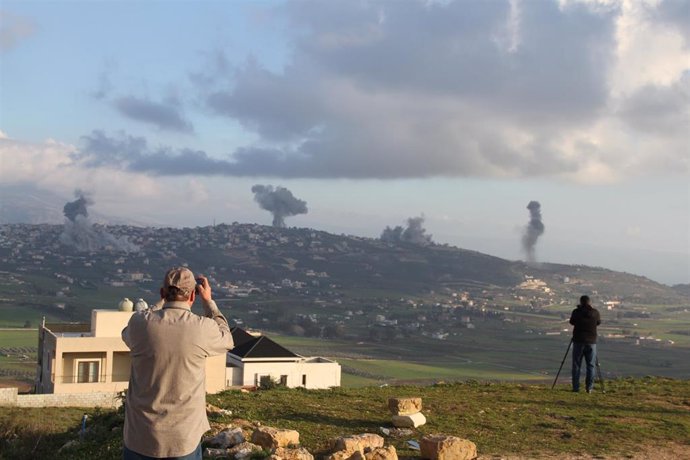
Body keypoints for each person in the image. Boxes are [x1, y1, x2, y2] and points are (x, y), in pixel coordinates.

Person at [122, 267, 234, 459]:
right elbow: (227, 339)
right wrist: (208, 303)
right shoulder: (202, 328)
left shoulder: (140, 323)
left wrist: (161, 302)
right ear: (193, 296)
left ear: (162, 293)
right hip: (182, 440)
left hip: (139, 437)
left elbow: (128, 333)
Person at [569, 295, 601, 393]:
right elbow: (598, 322)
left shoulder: (576, 312)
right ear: (590, 302)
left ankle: (576, 388)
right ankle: (589, 388)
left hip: (578, 341)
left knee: (576, 365)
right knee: (591, 365)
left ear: (581, 302)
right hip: (591, 342)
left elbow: (571, 322)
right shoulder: (595, 313)